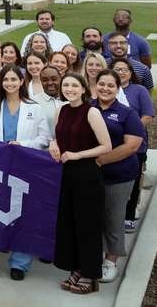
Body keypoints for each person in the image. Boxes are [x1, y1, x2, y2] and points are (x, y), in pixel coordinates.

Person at [0, 65, 51, 279]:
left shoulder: (34, 108)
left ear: (21, 81)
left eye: (13, 79)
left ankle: (20, 263)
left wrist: (22, 144)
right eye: (6, 79)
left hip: (25, 168)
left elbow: (43, 138)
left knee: (23, 215)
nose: (9, 83)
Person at [50, 72, 113, 293]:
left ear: (84, 89)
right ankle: (77, 268)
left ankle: (91, 274)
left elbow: (106, 146)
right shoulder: (61, 110)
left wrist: (77, 155)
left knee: (88, 226)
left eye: (74, 85)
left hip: (87, 175)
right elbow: (57, 135)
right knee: (70, 225)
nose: (69, 89)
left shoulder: (92, 112)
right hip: (66, 176)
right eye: (66, 85)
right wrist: (53, 144)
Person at [92, 69, 145, 284]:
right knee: (93, 217)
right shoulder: (88, 108)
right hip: (89, 176)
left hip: (118, 175)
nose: (105, 88)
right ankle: (92, 256)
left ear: (118, 88)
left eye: (110, 85)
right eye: (101, 84)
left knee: (113, 217)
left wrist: (100, 160)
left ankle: (111, 261)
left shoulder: (126, 113)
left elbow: (132, 145)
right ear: (95, 86)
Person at [112, 59, 154, 231]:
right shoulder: (106, 88)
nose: (121, 72)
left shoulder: (139, 90)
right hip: (111, 145)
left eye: (124, 69)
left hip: (135, 145)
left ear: (130, 73)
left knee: (133, 180)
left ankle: (128, 216)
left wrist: (130, 132)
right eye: (117, 69)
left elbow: (148, 115)